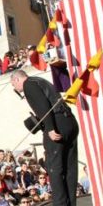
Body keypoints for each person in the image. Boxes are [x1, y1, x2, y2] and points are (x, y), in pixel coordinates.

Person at [11, 70, 79, 206]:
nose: (15, 88)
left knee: (55, 168)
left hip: (57, 123)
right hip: (69, 122)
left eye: (13, 84)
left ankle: (61, 203)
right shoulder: (40, 81)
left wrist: (50, 128)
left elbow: (43, 106)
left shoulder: (28, 85)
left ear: (17, 80)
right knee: (70, 167)